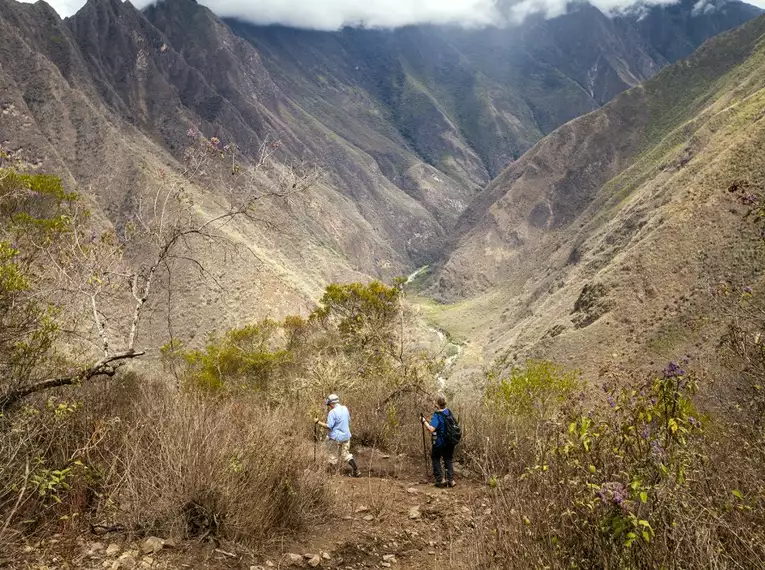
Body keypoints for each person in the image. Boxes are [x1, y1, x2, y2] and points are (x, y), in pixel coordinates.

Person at [315, 394, 361, 477]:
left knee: (331, 454)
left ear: (332, 403)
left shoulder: (332, 412)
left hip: (336, 437)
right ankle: (356, 471)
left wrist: (318, 422)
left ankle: (331, 474)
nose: (329, 406)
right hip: (346, 436)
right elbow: (348, 420)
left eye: (329, 404)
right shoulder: (345, 408)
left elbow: (329, 426)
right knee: (346, 454)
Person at [421, 395, 456, 488]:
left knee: (435, 458)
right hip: (450, 441)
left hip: (440, 442)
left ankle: (440, 479)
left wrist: (424, 421)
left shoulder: (437, 415)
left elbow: (431, 429)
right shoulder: (448, 412)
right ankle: (450, 480)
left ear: (437, 404)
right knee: (448, 459)